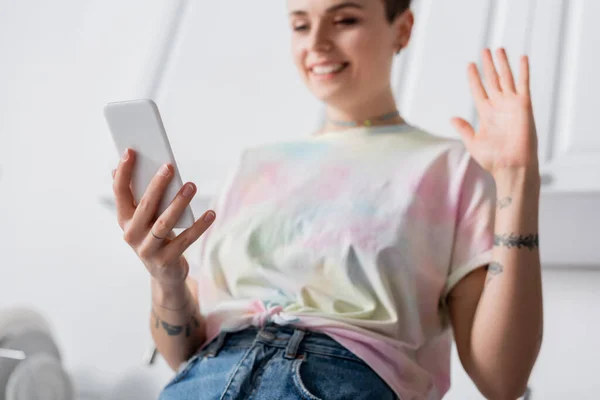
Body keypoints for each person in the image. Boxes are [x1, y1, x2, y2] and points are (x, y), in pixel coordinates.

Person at [111, 0, 543, 398]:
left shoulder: (450, 167)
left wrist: (517, 180)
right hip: (203, 380)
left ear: (403, 29)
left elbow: (501, 380)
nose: (316, 42)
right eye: (300, 24)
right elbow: (180, 352)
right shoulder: (252, 165)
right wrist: (164, 278)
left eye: (345, 20)